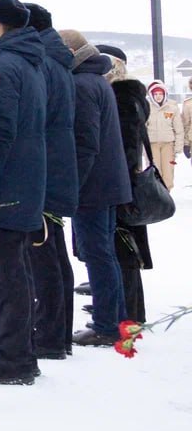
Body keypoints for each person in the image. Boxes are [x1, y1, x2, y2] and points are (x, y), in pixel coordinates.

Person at [0, 0, 46, 386]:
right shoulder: (30, 62)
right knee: (16, 267)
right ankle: (22, 351)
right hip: (28, 177)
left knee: (6, 272)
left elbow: (0, 133)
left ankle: (14, 356)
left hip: (9, 183)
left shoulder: (4, 66)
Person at [58, 31, 132, 346]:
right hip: (109, 182)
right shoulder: (97, 80)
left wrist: (73, 185)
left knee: (97, 254)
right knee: (104, 254)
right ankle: (116, 318)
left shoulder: (81, 85)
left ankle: (106, 325)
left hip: (94, 186)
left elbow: (85, 143)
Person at [24, 4, 78, 361]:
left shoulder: (42, 64)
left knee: (43, 256)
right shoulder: (57, 62)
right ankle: (58, 333)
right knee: (53, 255)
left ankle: (50, 335)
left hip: (43, 171)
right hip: (57, 168)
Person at [98, 48, 154, 323]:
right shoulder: (125, 95)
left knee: (124, 251)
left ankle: (130, 313)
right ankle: (130, 310)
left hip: (123, 185)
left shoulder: (123, 97)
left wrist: (120, 178)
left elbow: (128, 145)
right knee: (125, 250)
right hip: (122, 182)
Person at [144, 80, 181, 188]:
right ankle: (157, 195)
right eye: (156, 94)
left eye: (160, 94)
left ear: (164, 94)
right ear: (151, 95)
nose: (158, 96)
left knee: (168, 172)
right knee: (155, 171)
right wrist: (143, 148)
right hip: (152, 145)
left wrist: (178, 147)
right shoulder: (147, 108)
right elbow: (143, 129)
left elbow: (179, 130)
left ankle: (167, 193)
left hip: (168, 145)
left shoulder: (172, 108)